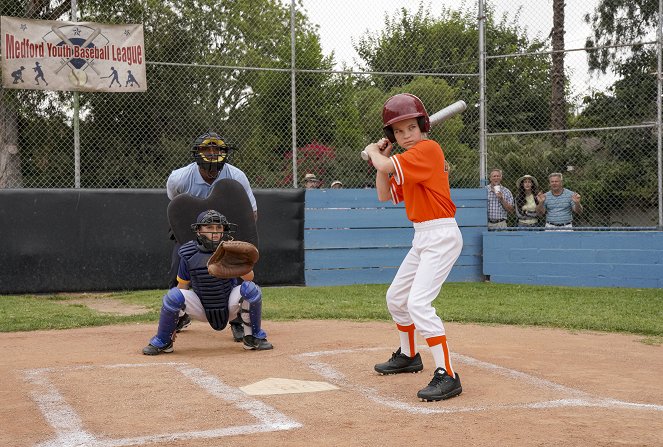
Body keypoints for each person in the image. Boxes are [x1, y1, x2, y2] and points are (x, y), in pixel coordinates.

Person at [363, 93, 463, 402]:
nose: (406, 135)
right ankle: (409, 356)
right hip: (422, 236)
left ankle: (448, 374)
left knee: (418, 304)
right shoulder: (406, 159)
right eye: (398, 130)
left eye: (411, 127)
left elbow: (386, 165)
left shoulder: (428, 149)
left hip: (441, 235)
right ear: (391, 134)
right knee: (396, 298)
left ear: (422, 126)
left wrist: (372, 153)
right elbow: (383, 193)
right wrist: (381, 162)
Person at [143, 210, 273, 355]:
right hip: (201, 306)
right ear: (199, 231)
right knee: (173, 295)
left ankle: (252, 337)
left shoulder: (230, 249)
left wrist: (236, 260)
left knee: (251, 289)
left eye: (219, 228)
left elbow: (249, 278)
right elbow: (182, 286)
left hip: (228, 304)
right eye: (209, 228)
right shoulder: (188, 252)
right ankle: (164, 340)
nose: (215, 232)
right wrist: (178, 314)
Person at [166, 131, 257, 337]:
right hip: (193, 228)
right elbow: (177, 205)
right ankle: (178, 314)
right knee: (178, 267)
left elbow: (250, 212)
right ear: (198, 153)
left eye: (217, 149)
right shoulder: (179, 177)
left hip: (225, 230)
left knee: (238, 268)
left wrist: (237, 243)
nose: (213, 153)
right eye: (208, 149)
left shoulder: (236, 176)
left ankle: (238, 320)